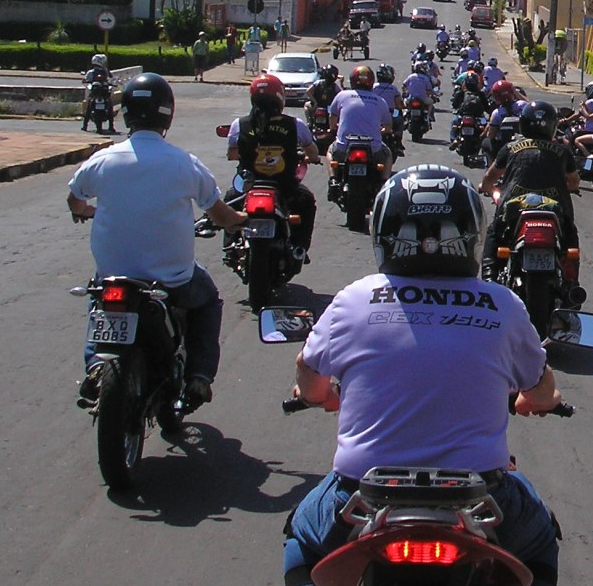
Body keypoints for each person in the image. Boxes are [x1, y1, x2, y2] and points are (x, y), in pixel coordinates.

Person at [282, 164, 565, 586]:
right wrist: (534, 401)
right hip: (481, 502)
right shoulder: (502, 305)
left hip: (361, 501)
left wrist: (323, 396)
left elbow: (309, 380)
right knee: (540, 543)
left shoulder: (354, 300)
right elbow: (541, 389)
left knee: (302, 539)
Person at [67, 72, 248, 407]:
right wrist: (239, 220)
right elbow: (220, 215)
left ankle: (95, 367)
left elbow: (75, 201)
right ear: (168, 114)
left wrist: (89, 211)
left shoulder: (102, 160)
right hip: (172, 280)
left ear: (125, 113)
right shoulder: (185, 164)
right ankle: (199, 376)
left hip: (113, 275)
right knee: (208, 301)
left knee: (99, 297)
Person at [478, 100, 581, 294]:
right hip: (555, 209)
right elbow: (574, 182)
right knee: (569, 236)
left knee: (495, 232)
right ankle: (571, 283)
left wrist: (485, 188)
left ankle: (490, 276)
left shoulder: (510, 148)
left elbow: (490, 178)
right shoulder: (562, 152)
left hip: (515, 207)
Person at [228, 74, 320, 260]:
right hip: (284, 186)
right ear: (280, 97)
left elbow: (232, 154)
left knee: (230, 201)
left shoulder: (239, 124)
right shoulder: (295, 125)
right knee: (307, 202)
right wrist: (310, 158)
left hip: (248, 186)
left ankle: (230, 247)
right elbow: (312, 151)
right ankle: (299, 248)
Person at [327, 65, 393, 196]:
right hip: (373, 148)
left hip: (344, 146)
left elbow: (332, 117)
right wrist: (380, 131)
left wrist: (334, 128)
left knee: (330, 151)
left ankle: (333, 179)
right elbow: (388, 127)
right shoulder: (380, 101)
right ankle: (383, 185)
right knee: (388, 155)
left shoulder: (342, 95)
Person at [372, 63, 405, 156]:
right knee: (399, 118)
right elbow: (399, 104)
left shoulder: (373, 87)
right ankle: (398, 142)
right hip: (390, 113)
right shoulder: (393, 88)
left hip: (375, 113)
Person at [81, 53, 118, 134]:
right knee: (109, 106)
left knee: (89, 107)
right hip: (101, 93)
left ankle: (85, 125)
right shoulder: (105, 71)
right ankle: (111, 126)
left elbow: (86, 80)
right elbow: (112, 78)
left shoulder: (91, 72)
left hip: (98, 93)